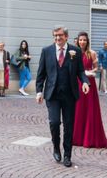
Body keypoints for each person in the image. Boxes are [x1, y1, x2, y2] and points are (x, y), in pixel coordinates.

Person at [36, 26, 90, 167]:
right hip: (52, 94)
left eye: (60, 35)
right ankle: (55, 147)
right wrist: (39, 91)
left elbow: (81, 71)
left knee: (68, 126)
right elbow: (41, 74)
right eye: (55, 36)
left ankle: (67, 155)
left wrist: (85, 82)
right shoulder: (46, 51)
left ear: (66, 36)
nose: (57, 38)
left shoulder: (76, 51)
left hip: (69, 94)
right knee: (54, 122)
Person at [73, 31, 107, 148]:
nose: (82, 42)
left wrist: (90, 72)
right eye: (80, 40)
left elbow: (97, 68)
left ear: (87, 41)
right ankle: (76, 137)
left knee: (89, 109)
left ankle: (89, 137)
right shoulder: (73, 53)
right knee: (78, 109)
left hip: (89, 82)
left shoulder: (91, 53)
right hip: (77, 82)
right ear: (77, 40)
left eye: (84, 40)